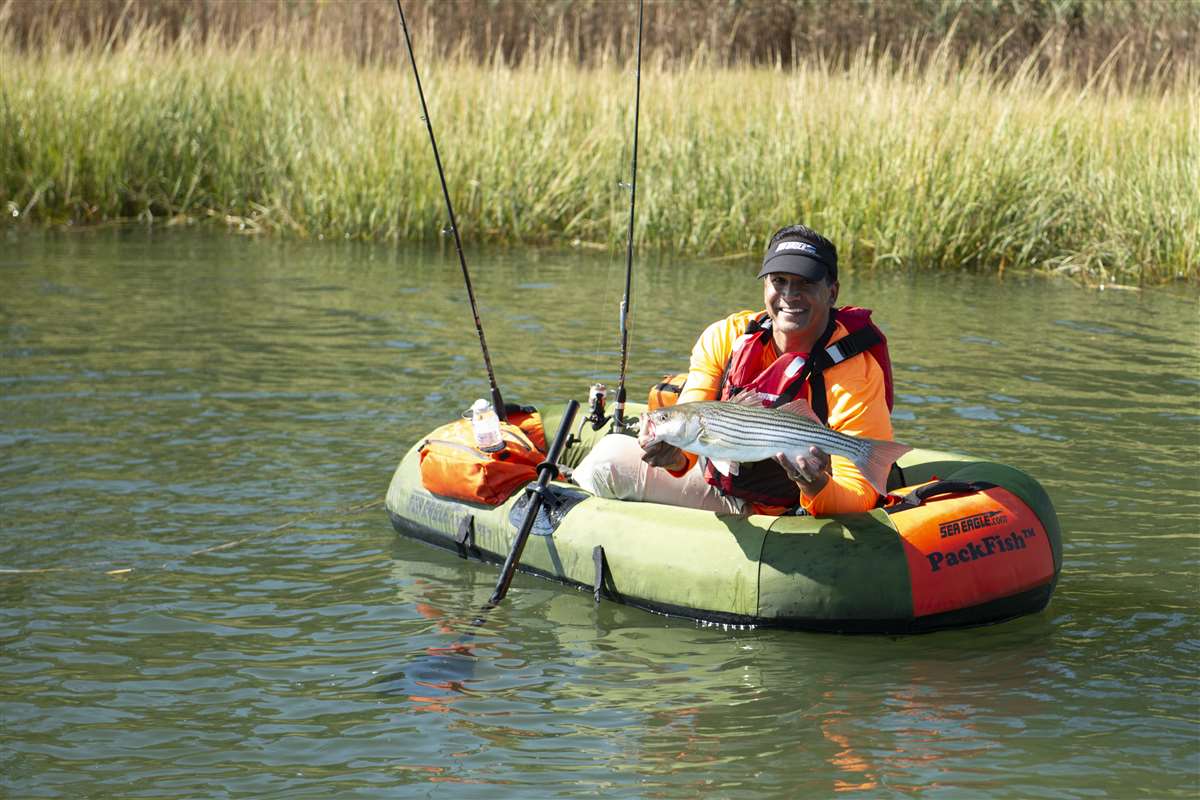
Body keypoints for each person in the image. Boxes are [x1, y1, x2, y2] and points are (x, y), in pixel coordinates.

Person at [574, 224, 896, 516]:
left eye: (805, 283)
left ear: (832, 292)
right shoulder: (726, 336)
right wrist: (673, 457)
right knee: (607, 454)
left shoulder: (856, 372)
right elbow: (688, 442)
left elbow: (859, 495)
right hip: (724, 484)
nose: (788, 295)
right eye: (778, 281)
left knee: (605, 466)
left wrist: (813, 485)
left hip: (792, 506)